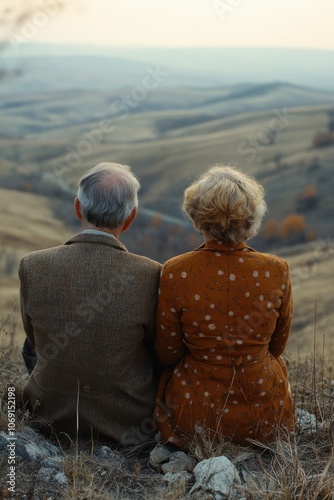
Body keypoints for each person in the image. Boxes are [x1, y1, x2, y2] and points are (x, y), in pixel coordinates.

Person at [19, 162, 161, 445]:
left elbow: (34, 340)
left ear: (77, 208)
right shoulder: (152, 274)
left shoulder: (32, 265)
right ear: (130, 218)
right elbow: (157, 349)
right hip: (127, 422)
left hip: (47, 412)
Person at [154, 165, 294, 448]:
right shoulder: (276, 270)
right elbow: (277, 348)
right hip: (267, 417)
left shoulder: (176, 271)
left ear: (197, 219)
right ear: (252, 220)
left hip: (196, 417)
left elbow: (167, 353)